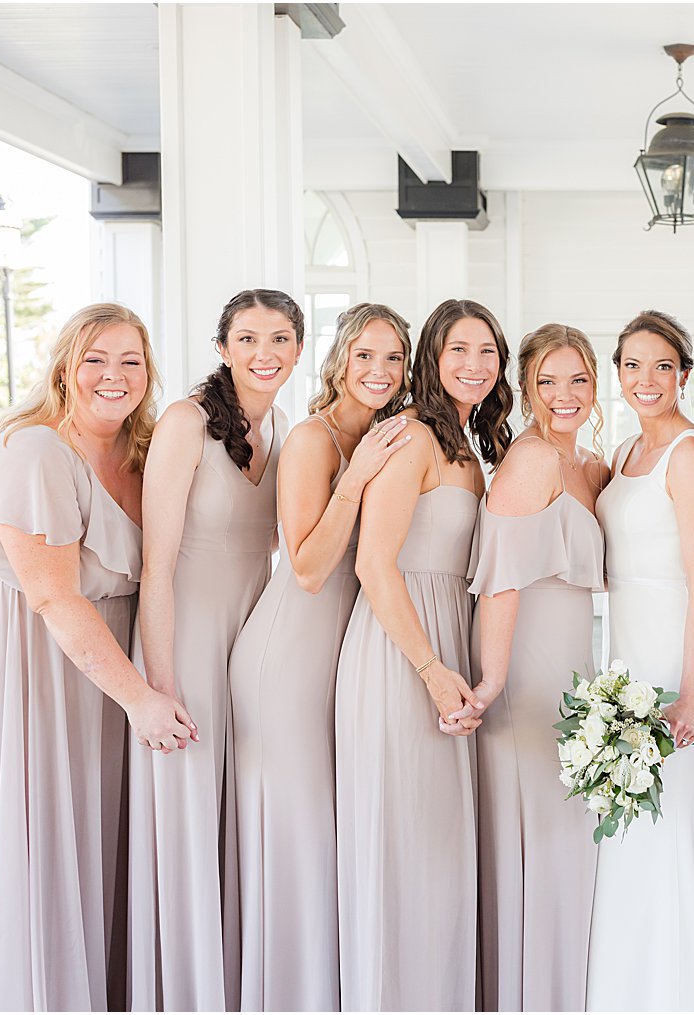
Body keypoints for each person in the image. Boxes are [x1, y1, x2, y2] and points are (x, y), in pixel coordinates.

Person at [0, 303, 194, 1011]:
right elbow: (54, 598)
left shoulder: (144, 450)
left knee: (80, 819)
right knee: (14, 817)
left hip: (86, 649)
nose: (113, 376)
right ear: (63, 369)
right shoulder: (36, 453)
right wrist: (140, 696)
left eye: (130, 361)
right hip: (8, 642)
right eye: (95, 359)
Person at [227, 302, 412, 1011]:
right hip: (285, 657)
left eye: (393, 357)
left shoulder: (389, 436)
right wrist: (357, 474)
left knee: (323, 843)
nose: (379, 370)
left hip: (335, 661)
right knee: (295, 842)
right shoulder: (312, 439)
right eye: (364, 354)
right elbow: (306, 567)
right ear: (338, 359)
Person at [334, 298, 513, 1011]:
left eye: (488, 352)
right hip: (398, 653)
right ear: (432, 360)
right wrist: (434, 670)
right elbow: (374, 565)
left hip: (446, 648)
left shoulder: (470, 446)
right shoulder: (409, 437)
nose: (474, 365)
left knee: (438, 849)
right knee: (403, 846)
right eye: (458, 351)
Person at [126, 288, 303, 1011]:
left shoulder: (285, 424)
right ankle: (187, 989)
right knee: (189, 809)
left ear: (298, 348)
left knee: (239, 809)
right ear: (224, 346)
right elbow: (155, 567)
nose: (266, 352)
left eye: (282, 338)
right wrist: (160, 686)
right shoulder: (183, 423)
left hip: (249, 639)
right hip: (185, 639)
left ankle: (237, 983)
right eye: (249, 338)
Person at [452, 323, 609, 1011]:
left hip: (574, 669)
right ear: (525, 388)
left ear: (596, 385)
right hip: (525, 673)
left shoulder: (591, 464)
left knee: (566, 842)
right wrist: (491, 680)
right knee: (536, 842)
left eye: (577, 379)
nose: (563, 394)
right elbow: (501, 582)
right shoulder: (532, 459)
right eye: (547, 380)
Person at [588, 309, 694, 1012]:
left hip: (673, 667)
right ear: (617, 374)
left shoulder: (691, 456)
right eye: (632, 366)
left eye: (662, 366)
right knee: (625, 840)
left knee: (663, 833)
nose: (646, 379)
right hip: (624, 663)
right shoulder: (623, 453)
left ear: (683, 375)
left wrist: (692, 699)